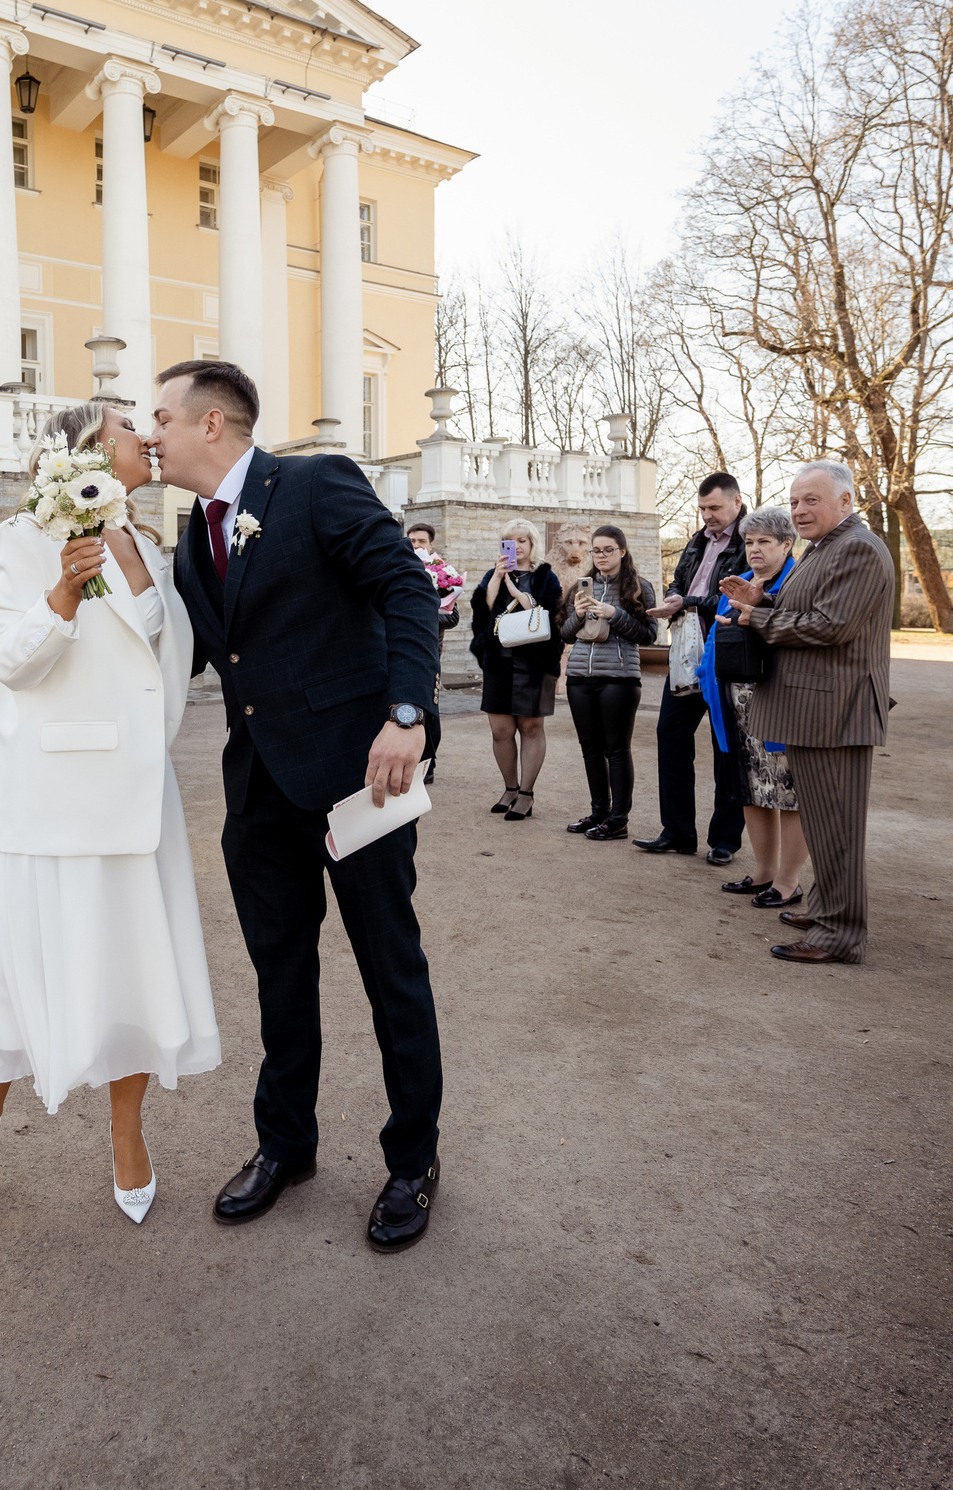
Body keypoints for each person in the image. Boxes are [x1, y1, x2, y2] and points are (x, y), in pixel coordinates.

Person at [151, 357, 447, 1253]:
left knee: (389, 968)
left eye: (159, 416)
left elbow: (406, 587)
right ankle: (287, 1144)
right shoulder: (186, 535)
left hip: (360, 773)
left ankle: (413, 1158)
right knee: (281, 978)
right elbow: (194, 657)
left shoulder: (314, 482)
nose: (148, 432)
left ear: (213, 424)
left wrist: (407, 714)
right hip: (258, 793)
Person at [0, 401, 217, 1227]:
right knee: (17, 961)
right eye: (129, 423)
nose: (147, 432)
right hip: (51, 795)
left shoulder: (151, 543)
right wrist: (64, 589)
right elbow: (15, 665)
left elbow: (166, 664)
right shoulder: (22, 537)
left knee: (130, 962)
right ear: (85, 452)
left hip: (138, 790)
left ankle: (128, 1136)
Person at [717, 462, 893, 966]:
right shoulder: (828, 548)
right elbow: (810, 607)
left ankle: (839, 933)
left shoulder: (857, 547)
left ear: (845, 501)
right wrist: (763, 597)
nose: (799, 510)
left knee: (836, 826)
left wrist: (760, 616)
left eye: (811, 500)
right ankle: (827, 911)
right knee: (823, 823)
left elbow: (830, 626)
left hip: (834, 711)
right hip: (819, 708)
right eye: (795, 502)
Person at [637, 473, 750, 865]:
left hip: (727, 657)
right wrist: (673, 594)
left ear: (738, 501)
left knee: (726, 749)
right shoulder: (698, 539)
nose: (707, 515)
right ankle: (678, 832)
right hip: (687, 656)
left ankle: (724, 841)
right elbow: (681, 580)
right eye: (702, 508)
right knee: (669, 736)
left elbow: (732, 594)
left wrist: (684, 600)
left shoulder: (751, 541)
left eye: (714, 508)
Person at [704, 511, 809, 910]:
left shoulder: (798, 583)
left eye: (764, 542)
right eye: (749, 543)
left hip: (779, 703)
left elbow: (799, 633)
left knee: (787, 793)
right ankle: (763, 871)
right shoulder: (739, 583)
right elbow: (718, 635)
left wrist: (760, 613)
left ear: (786, 545)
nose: (754, 550)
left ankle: (788, 881)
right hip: (734, 704)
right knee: (750, 790)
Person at [555, 525, 655, 840]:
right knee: (590, 748)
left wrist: (614, 614)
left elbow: (649, 635)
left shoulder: (640, 587)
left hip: (620, 678)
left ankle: (618, 819)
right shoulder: (579, 588)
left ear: (622, 551)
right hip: (580, 678)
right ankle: (599, 812)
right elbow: (565, 634)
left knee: (617, 749)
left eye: (608, 550)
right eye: (596, 550)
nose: (601, 556)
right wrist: (579, 615)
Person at [469, 522, 563, 821]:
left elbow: (549, 615)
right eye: (509, 541)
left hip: (534, 662)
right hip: (499, 659)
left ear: (532, 543)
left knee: (531, 728)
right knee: (501, 730)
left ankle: (526, 793)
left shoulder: (546, 576)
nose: (517, 546)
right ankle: (509, 788)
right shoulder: (493, 573)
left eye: (522, 540)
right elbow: (482, 612)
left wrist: (516, 590)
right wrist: (498, 578)